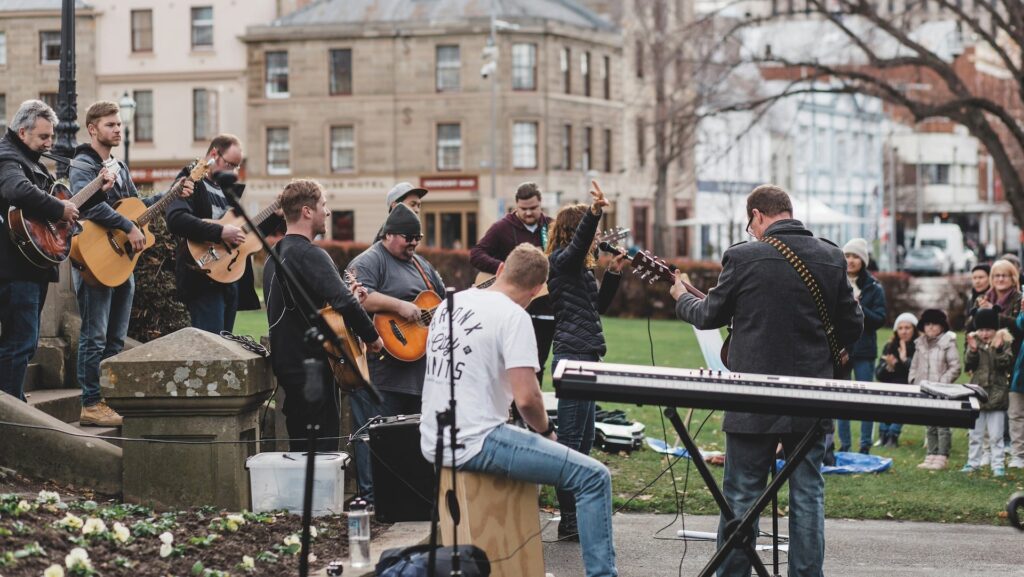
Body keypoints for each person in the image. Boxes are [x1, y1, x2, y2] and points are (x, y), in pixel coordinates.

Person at [671, 184, 863, 577]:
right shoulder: (831, 257)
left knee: (742, 493)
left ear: (758, 215)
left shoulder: (743, 257)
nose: (752, 231)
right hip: (812, 398)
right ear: (788, 211)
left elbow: (707, 315)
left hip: (752, 399)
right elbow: (853, 326)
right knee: (808, 494)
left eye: (751, 225)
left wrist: (681, 297)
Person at [420, 243, 618, 577]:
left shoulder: (450, 304)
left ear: (500, 270)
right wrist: (547, 432)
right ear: (538, 290)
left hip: (433, 438)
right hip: (476, 441)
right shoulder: (514, 317)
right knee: (593, 477)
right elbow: (527, 399)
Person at [70, 100, 194, 427]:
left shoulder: (121, 167)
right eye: (110, 124)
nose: (117, 129)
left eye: (119, 124)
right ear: (92, 128)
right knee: (95, 336)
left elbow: (138, 208)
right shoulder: (83, 164)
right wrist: (127, 226)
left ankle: (108, 400)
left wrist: (171, 194)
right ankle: (90, 403)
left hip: (121, 263)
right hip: (95, 258)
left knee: (115, 339)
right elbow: (87, 205)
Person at [264, 180, 383, 452]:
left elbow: (303, 308)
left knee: (301, 451)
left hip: (288, 368)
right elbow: (344, 303)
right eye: (323, 205)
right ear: (307, 211)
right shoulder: (310, 253)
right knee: (322, 453)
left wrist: (349, 299)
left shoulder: (274, 256)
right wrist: (373, 338)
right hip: (314, 368)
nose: (327, 212)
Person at [545, 180, 627, 541]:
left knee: (586, 438)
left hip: (587, 354)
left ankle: (576, 514)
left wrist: (613, 273)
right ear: (574, 232)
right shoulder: (560, 263)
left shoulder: (578, 271)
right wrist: (594, 212)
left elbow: (597, 309)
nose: (596, 240)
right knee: (571, 441)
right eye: (590, 233)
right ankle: (569, 521)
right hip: (573, 357)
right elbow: (580, 244)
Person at [346, 203, 444, 502]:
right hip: (382, 372)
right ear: (388, 234)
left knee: (413, 442)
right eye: (407, 237)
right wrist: (400, 306)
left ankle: (407, 500)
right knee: (376, 438)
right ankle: (373, 500)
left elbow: (440, 300)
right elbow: (356, 298)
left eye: (418, 237)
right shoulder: (370, 260)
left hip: (417, 373)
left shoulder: (422, 266)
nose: (413, 243)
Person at [0, 99, 81, 401]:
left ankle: (13, 402)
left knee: (25, 342)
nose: (50, 143)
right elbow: (16, 190)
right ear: (22, 132)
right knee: (19, 342)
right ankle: (11, 411)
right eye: (44, 136)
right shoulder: (8, 157)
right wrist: (59, 208)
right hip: (14, 268)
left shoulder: (29, 159)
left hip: (29, 266)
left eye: (52, 136)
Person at [166, 134, 283, 334]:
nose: (234, 172)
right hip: (202, 276)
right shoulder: (190, 179)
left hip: (229, 278)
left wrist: (275, 216)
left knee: (225, 345)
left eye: (237, 166)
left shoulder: (227, 191)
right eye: (230, 165)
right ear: (214, 154)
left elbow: (245, 235)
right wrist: (220, 232)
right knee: (211, 346)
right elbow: (175, 218)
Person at [470, 181, 554, 383]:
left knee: (537, 364)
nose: (528, 213)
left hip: (543, 308)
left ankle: (528, 402)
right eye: (523, 209)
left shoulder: (552, 227)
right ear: (516, 205)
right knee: (506, 364)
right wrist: (506, 269)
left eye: (533, 208)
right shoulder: (502, 227)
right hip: (509, 307)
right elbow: (476, 254)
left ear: (541, 204)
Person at [837, 238, 886, 454]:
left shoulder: (874, 287)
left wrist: (859, 308)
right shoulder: (836, 282)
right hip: (841, 350)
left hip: (865, 350)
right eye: (847, 256)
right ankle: (844, 445)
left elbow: (880, 319)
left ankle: (865, 444)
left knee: (866, 399)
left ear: (863, 260)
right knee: (841, 399)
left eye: (855, 256)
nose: (850, 260)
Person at [909, 309, 962, 470]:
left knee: (942, 424)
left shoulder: (948, 343)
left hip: (942, 391)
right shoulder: (920, 344)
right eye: (927, 324)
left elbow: (955, 367)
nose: (931, 327)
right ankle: (931, 454)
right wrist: (913, 381)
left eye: (935, 324)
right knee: (929, 424)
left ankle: (942, 456)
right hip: (925, 390)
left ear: (942, 326)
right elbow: (914, 365)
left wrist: (942, 383)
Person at [961, 307, 1011, 477]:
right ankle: (973, 462)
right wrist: (973, 351)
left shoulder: (1004, 343)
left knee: (996, 435)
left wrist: (998, 350)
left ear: (995, 329)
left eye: (988, 329)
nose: (984, 333)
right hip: (977, 395)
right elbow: (969, 364)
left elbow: (1005, 363)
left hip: (997, 395)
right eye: (981, 329)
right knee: (975, 434)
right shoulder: (974, 343)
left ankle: (998, 465)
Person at [875, 313, 919, 448]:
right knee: (884, 397)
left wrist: (904, 359)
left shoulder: (919, 347)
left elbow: (918, 373)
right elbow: (878, 375)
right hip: (889, 386)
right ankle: (883, 435)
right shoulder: (890, 346)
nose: (904, 331)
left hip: (909, 387)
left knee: (902, 401)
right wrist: (889, 366)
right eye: (900, 328)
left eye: (907, 328)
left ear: (914, 329)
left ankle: (892, 435)